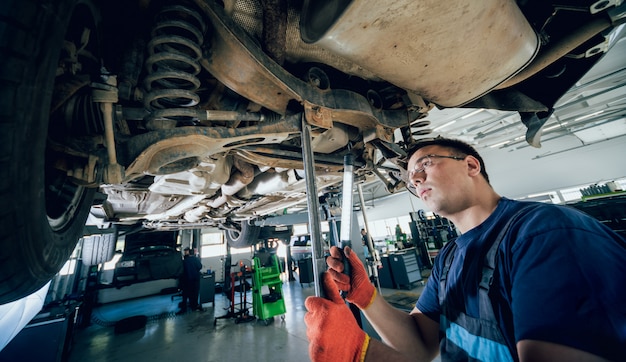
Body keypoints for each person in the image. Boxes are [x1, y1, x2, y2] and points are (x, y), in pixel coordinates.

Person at [304, 137, 626, 361]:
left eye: (425, 164)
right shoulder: (449, 257)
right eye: (411, 179)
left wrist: (362, 355)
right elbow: (418, 346)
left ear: (471, 165)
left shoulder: (543, 232)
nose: (415, 180)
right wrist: (367, 298)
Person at [178, 247, 204, 313]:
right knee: (195, 293)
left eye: (186, 251)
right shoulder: (195, 259)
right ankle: (194, 306)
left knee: (186, 294)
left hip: (187, 280)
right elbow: (200, 266)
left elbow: (181, 271)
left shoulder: (184, 261)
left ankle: (184, 308)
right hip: (195, 279)